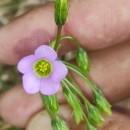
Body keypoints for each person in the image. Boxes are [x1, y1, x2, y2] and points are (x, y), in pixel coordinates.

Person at [0, 0, 130, 130]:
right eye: (41, 66)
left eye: (44, 66)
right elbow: (27, 69)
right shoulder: (39, 61)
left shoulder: (53, 63)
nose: (42, 67)